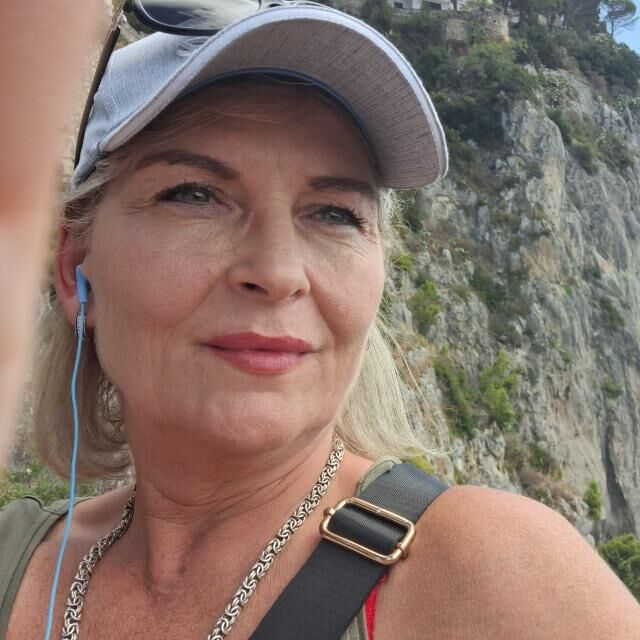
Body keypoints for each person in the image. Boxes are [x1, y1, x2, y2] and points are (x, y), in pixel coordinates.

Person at [1, 3, 640, 639]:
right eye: (195, 195)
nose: (278, 272)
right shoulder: (13, 557)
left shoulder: (500, 583)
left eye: (334, 213)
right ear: (75, 270)